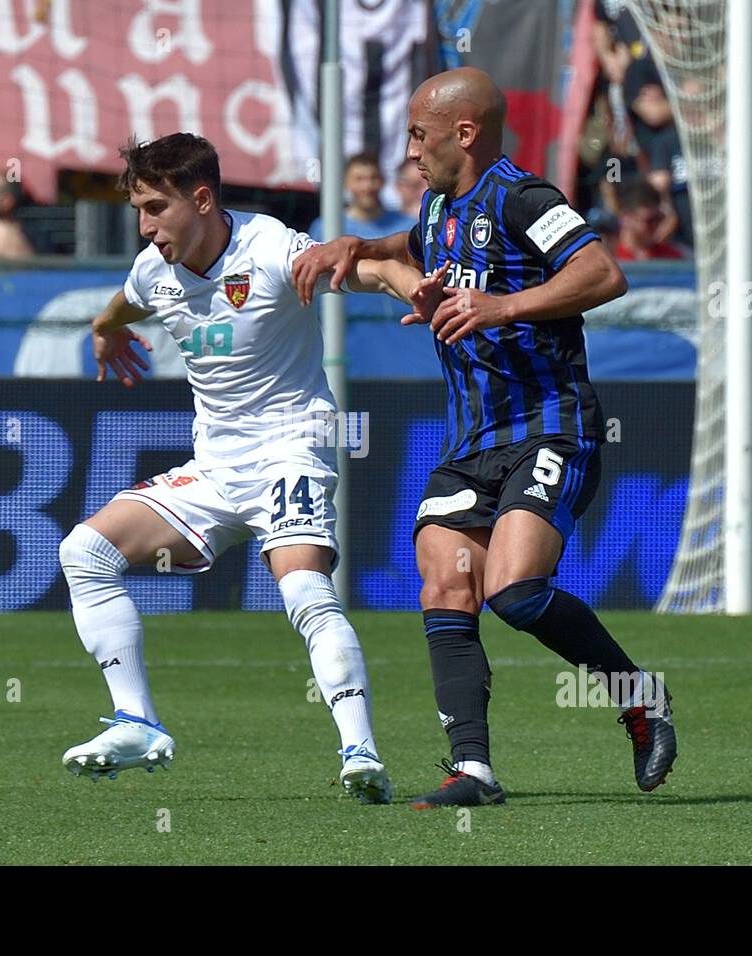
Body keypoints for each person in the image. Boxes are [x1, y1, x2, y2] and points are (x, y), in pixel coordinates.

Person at [292, 67, 677, 808]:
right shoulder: (439, 205)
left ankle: (640, 699)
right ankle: (473, 769)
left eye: (418, 133)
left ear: (463, 133)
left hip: (550, 428)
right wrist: (355, 242)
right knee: (444, 583)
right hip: (471, 439)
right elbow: (411, 242)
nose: (409, 150)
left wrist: (505, 307)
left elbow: (603, 272)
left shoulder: (526, 198)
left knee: (515, 591)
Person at [58, 132, 426, 803]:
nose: (145, 226)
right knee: (85, 552)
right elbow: (127, 303)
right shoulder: (154, 269)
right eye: (138, 210)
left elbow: (366, 272)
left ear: (201, 199)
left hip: (292, 448)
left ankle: (361, 750)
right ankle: (138, 723)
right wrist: (105, 328)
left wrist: (413, 287)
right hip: (216, 467)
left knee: (303, 593)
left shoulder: (272, 249)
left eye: (154, 208)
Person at [309, 152, 414, 241]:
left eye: (373, 178)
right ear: (346, 183)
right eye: (359, 179)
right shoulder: (323, 227)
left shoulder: (407, 227)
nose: (367, 186)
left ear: (383, 181)